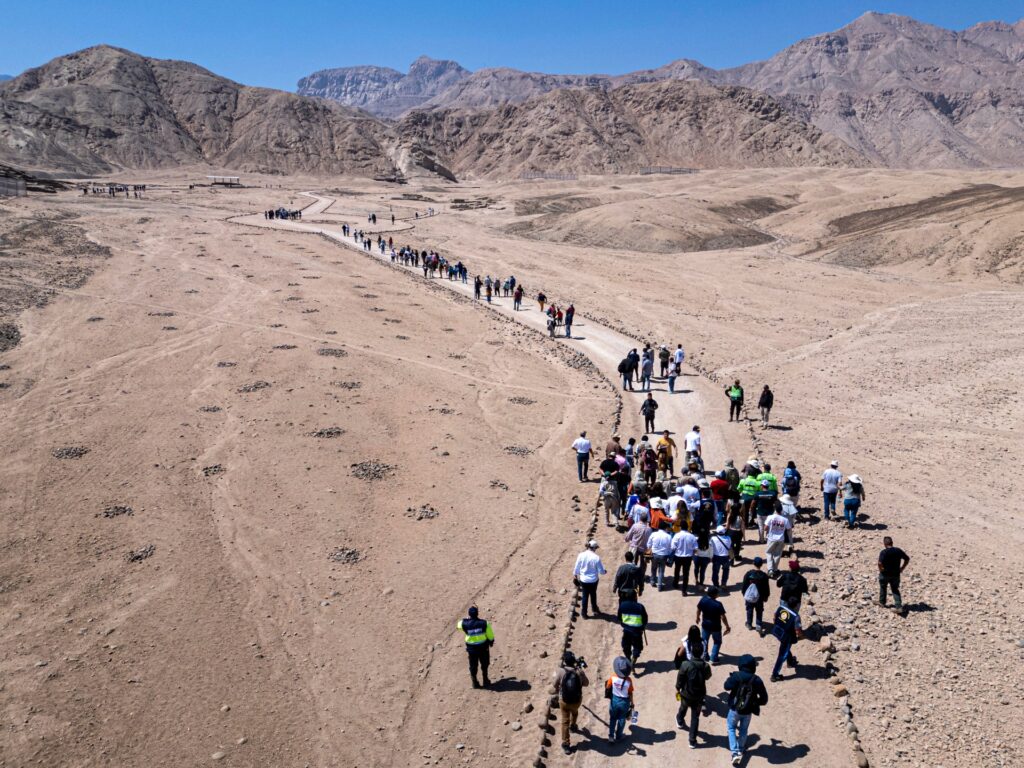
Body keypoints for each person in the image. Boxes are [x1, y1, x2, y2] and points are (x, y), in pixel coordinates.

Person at [723, 654, 769, 765]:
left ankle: (734, 753)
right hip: (748, 711)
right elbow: (764, 699)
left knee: (731, 728)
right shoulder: (757, 680)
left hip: (735, 709)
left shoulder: (736, 676)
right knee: (743, 730)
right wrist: (754, 703)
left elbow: (726, 686)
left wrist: (731, 677)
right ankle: (741, 749)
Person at [674, 635, 712, 748]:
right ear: (701, 653)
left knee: (683, 707)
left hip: (686, 693)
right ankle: (692, 740)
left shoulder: (685, 664)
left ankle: (680, 721)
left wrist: (677, 688)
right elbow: (708, 677)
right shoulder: (705, 666)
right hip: (699, 696)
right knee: (695, 717)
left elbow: (680, 678)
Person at [554, 651, 589, 754]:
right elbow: (586, 683)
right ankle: (573, 726)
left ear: (565, 661)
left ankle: (566, 744)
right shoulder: (579, 671)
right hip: (576, 700)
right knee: (575, 712)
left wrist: (559, 689)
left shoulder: (560, 671)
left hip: (564, 700)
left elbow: (554, 684)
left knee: (565, 721)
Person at [457, 606, 494, 688]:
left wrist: (466, 619)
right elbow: (490, 635)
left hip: (472, 650)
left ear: (469, 614)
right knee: (485, 664)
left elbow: (458, 625)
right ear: (477, 613)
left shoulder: (464, 624)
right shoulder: (484, 623)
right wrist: (491, 641)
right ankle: (485, 680)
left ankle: (474, 682)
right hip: (483, 648)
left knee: (473, 666)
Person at [696, 586, 730, 663]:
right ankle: (713, 658)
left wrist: (697, 617)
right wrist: (727, 626)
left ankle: (705, 656)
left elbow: (698, 609)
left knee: (704, 641)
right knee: (717, 642)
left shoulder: (703, 600)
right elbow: (723, 617)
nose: (719, 594)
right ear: (714, 594)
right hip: (716, 627)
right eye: (717, 592)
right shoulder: (718, 604)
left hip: (705, 625)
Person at [769, 601, 803, 681]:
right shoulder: (796, 616)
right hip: (787, 637)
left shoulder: (781, 608)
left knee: (785, 649)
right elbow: (798, 630)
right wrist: (800, 636)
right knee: (782, 655)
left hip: (778, 632)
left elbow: (774, 617)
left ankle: (790, 661)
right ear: (795, 606)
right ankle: (774, 675)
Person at [618, 589, 649, 672]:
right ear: (635, 597)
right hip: (637, 632)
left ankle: (628, 659)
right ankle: (633, 661)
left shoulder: (622, 605)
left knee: (626, 646)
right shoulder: (640, 607)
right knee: (638, 647)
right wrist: (642, 627)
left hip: (626, 631)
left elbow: (619, 618)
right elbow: (645, 619)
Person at [574, 540, 606, 618]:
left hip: (583, 580)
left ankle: (584, 614)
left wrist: (575, 576)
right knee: (593, 594)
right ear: (594, 548)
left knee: (585, 596)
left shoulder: (581, 555)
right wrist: (605, 571)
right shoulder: (596, 558)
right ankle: (594, 609)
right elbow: (601, 571)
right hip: (593, 580)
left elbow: (577, 567)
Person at [605, 656, 634, 744]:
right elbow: (630, 693)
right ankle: (619, 735)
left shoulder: (612, 677)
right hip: (624, 702)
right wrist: (632, 704)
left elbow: (608, 686)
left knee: (613, 718)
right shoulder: (629, 680)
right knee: (622, 719)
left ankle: (611, 736)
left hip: (614, 700)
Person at [878, 536, 910, 613]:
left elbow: (879, 563)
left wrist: (881, 569)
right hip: (896, 574)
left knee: (883, 587)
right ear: (892, 543)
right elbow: (907, 559)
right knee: (895, 589)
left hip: (885, 573)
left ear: (884, 544)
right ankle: (898, 606)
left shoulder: (883, 552)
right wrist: (902, 568)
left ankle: (882, 602)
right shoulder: (898, 550)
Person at [741, 557, 771, 634]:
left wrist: (744, 594)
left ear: (753, 563)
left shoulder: (748, 574)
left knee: (749, 610)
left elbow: (744, 585)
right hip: (759, 598)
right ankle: (758, 625)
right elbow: (766, 588)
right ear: (761, 564)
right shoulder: (764, 576)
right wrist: (766, 597)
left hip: (750, 597)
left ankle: (749, 624)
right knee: (759, 611)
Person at [763, 505, 792, 577]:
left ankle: (770, 570)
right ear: (781, 510)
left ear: (775, 510)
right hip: (781, 539)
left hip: (771, 538)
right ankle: (775, 569)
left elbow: (765, 528)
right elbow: (789, 529)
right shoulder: (785, 519)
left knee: (769, 552)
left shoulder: (770, 517)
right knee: (777, 554)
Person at [671, 523, 698, 594]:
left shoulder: (677, 535)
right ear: (688, 528)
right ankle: (684, 590)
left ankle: (675, 584)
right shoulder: (692, 536)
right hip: (688, 557)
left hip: (678, 556)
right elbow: (695, 549)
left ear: (680, 527)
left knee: (677, 570)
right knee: (686, 573)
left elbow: (673, 547)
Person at [752, 479, 780, 544]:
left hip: (760, 512)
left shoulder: (757, 494)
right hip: (770, 513)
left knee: (761, 527)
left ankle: (761, 540)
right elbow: (776, 503)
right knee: (769, 526)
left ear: (762, 486)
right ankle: (768, 539)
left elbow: (753, 503)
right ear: (768, 486)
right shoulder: (772, 494)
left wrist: (751, 509)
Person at [648, 522, 673, 591]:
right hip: (664, 555)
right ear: (665, 528)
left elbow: (648, 544)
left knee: (653, 568)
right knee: (661, 570)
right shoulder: (668, 536)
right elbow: (671, 548)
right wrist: (668, 554)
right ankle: (659, 585)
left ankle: (652, 581)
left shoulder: (653, 534)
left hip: (654, 554)